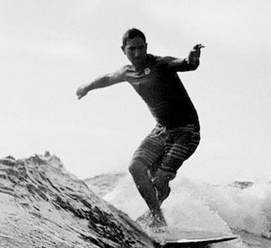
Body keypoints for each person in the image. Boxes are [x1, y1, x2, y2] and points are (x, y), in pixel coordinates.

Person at [76, 28, 204, 229]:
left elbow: (185, 64)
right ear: (123, 50)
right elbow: (107, 78)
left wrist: (192, 59)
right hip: (162, 129)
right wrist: (86, 87)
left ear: (147, 47)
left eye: (141, 48)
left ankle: (157, 217)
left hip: (186, 131)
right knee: (136, 167)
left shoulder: (160, 64)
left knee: (160, 179)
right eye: (132, 49)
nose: (137, 53)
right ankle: (157, 217)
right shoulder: (127, 72)